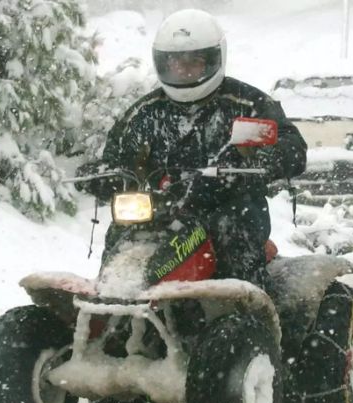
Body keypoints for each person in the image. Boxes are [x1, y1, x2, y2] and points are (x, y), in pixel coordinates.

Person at [77, 9, 307, 289]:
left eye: (194, 63)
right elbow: (117, 158)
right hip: (160, 210)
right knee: (124, 226)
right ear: (162, 64)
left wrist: (266, 161)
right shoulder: (144, 114)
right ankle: (111, 298)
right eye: (175, 64)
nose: (183, 70)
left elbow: (291, 145)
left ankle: (246, 306)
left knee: (231, 225)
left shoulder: (244, 105)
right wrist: (105, 175)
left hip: (227, 205)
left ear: (213, 60)